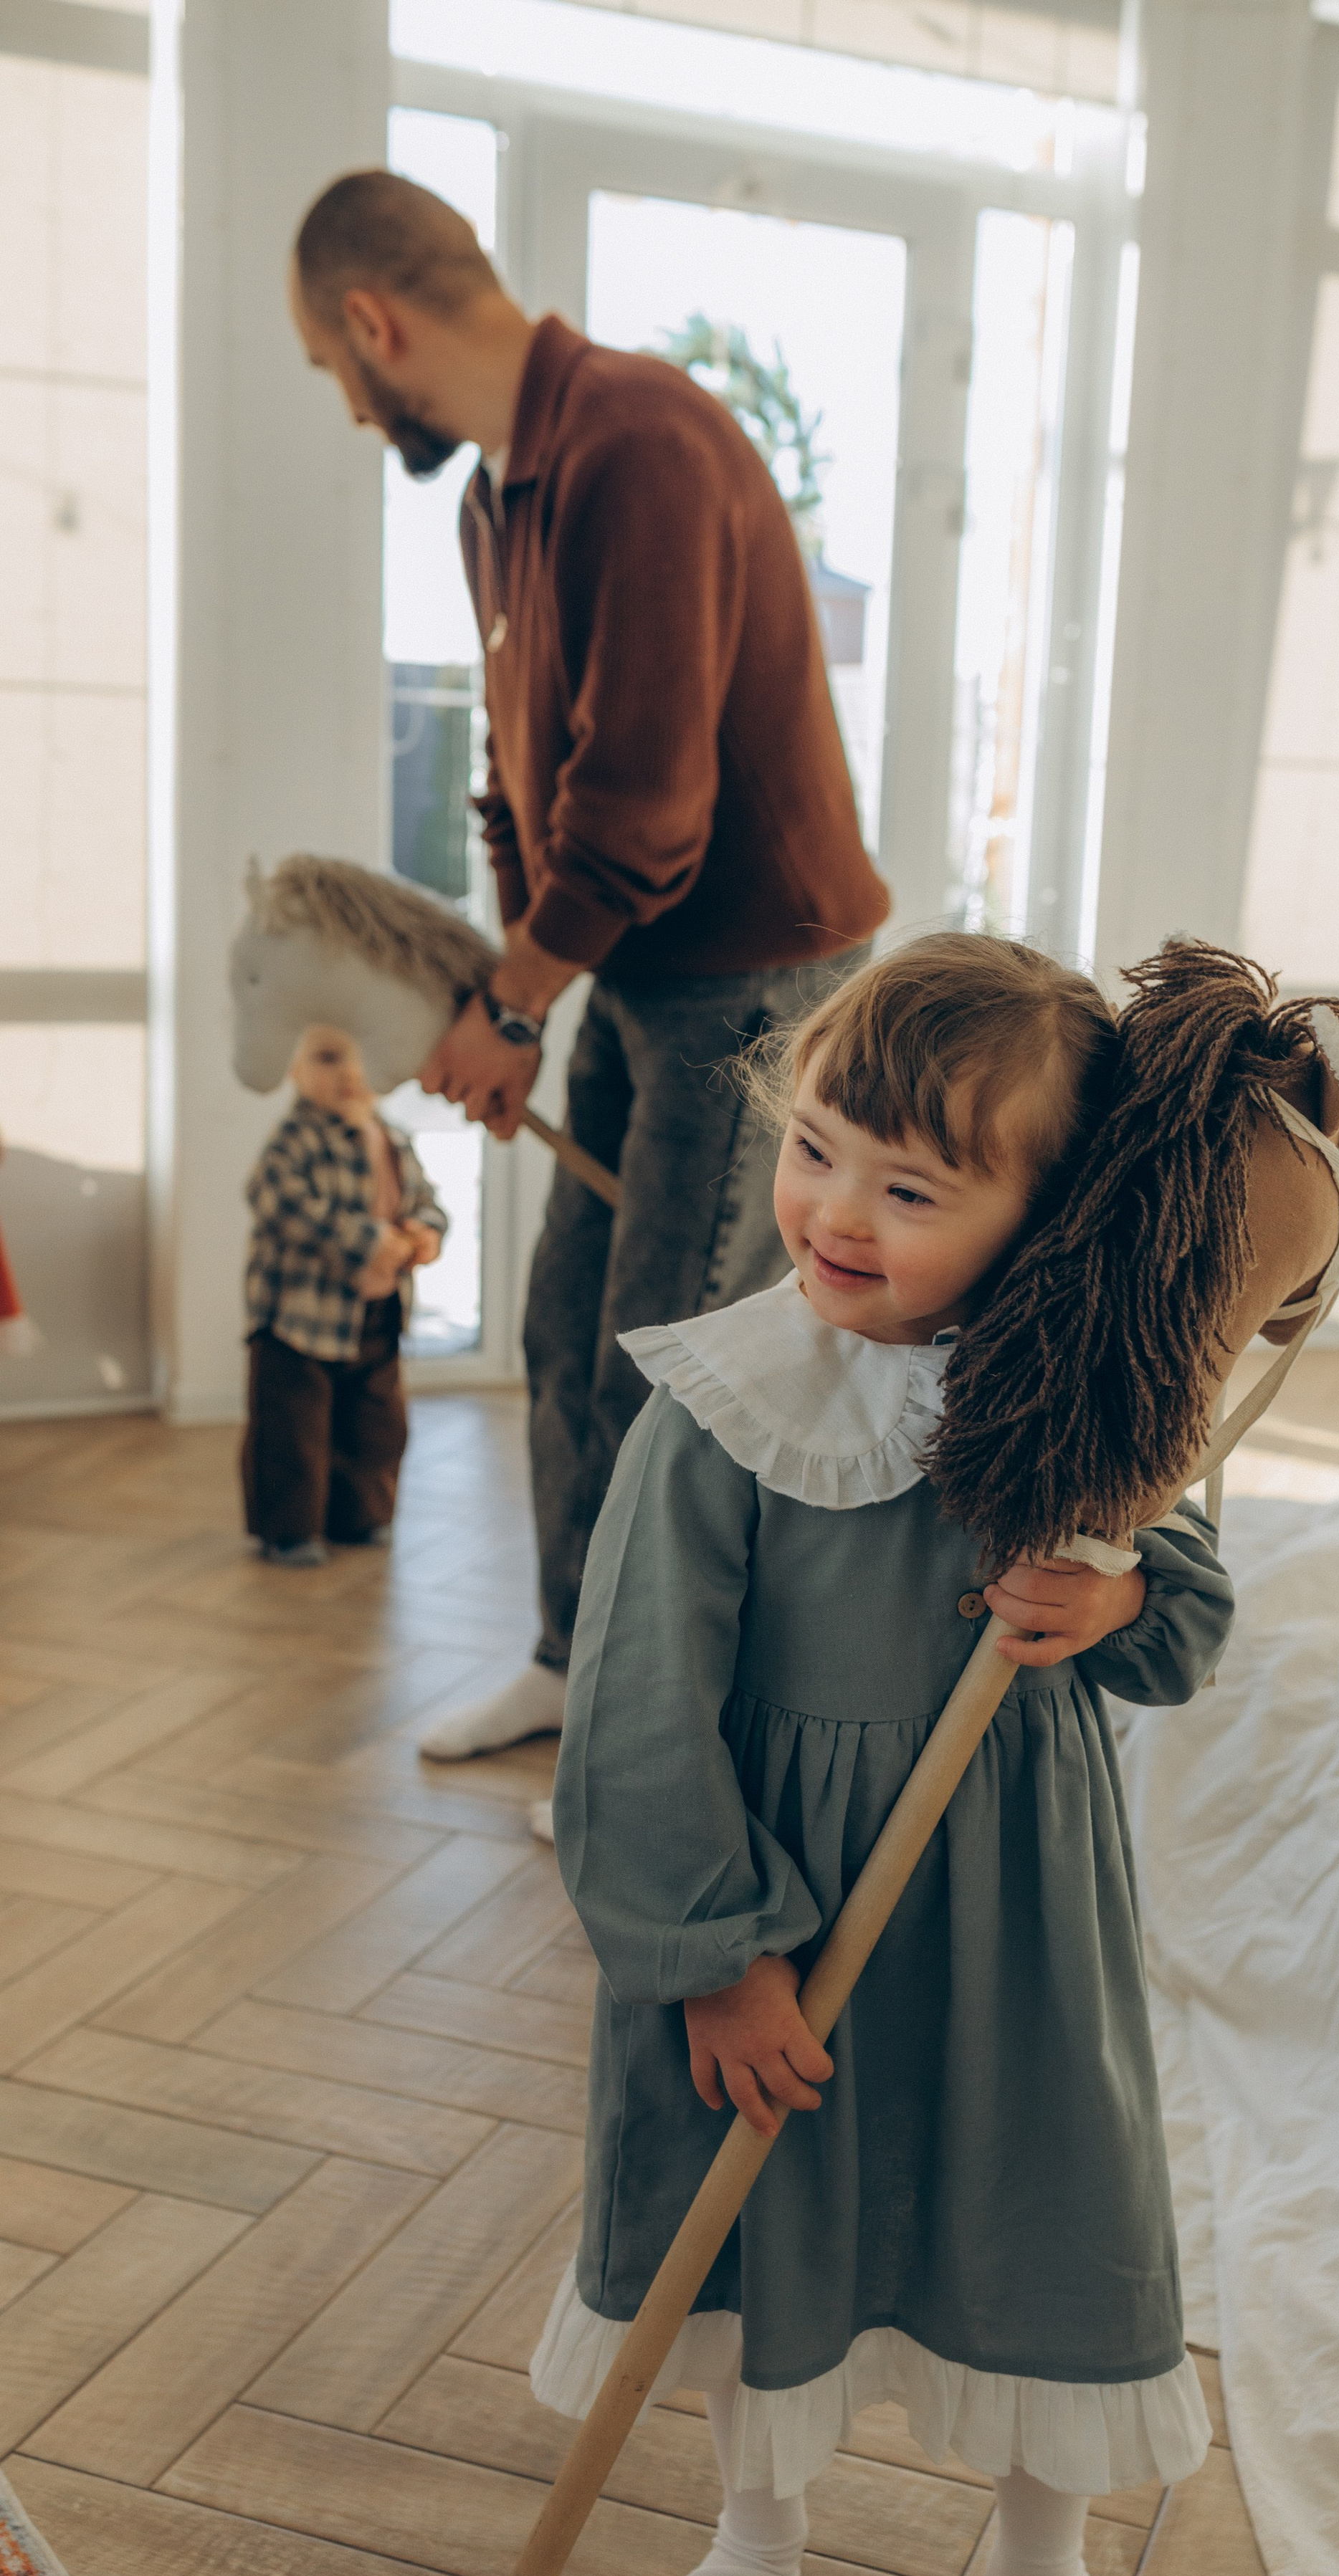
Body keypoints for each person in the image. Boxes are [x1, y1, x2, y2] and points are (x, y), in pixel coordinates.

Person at [526, 934, 1339, 2576]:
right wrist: (714, 1954)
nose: (835, 1209)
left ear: (1037, 1218)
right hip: (792, 1913)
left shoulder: (1074, 1402)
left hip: (1015, 1916)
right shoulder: (726, 1408)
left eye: (911, 1186)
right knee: (770, 2238)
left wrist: (1110, 1584)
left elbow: (1183, 1626)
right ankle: (753, 2542)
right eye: (815, 1144)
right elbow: (640, 1703)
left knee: (1046, 2219)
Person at [288, 173, 885, 1809]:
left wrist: (515, 1002)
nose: (350, 411)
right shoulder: (498, 500)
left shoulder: (641, 443)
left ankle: (656, 1747)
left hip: (753, 976)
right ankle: (576, 1662)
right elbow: (521, 789)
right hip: (636, 967)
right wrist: (515, 993)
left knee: (664, 1368)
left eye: (333, 373)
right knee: (566, 1326)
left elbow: (642, 806)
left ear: (371, 322)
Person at [243, 1023, 447, 1565]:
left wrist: (426, 1230)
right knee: (294, 1429)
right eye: (329, 1058)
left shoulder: (393, 1137)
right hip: (299, 1315)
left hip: (373, 1310)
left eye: (364, 1059)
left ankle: (362, 1515)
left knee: (376, 1423)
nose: (350, 1073)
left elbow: (425, 1199)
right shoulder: (299, 1138)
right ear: (296, 1072)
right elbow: (275, 1199)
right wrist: (364, 1240)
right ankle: (289, 1529)